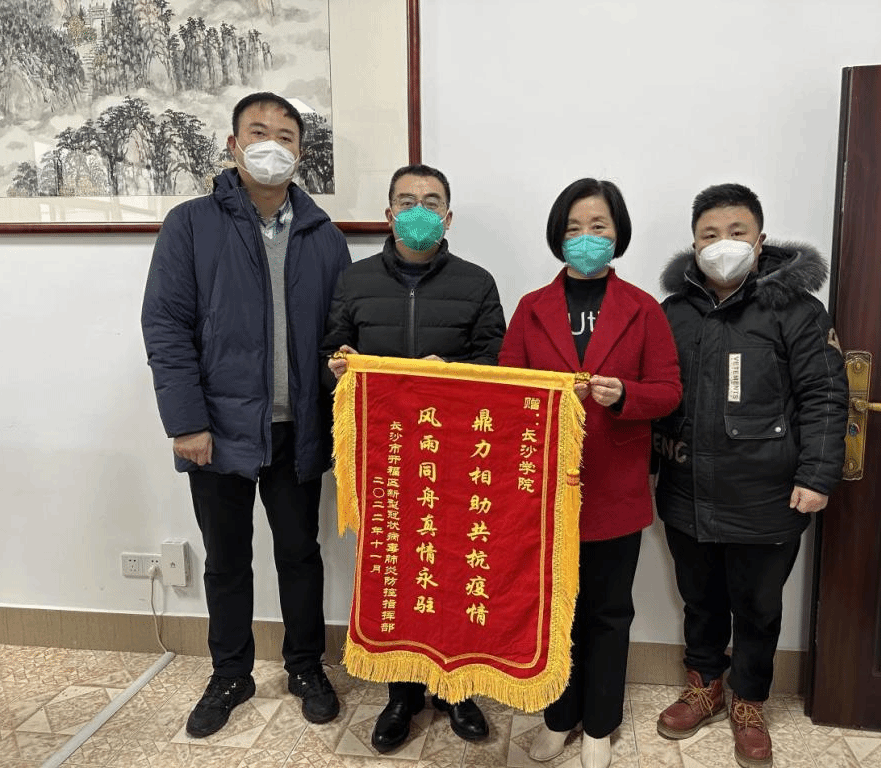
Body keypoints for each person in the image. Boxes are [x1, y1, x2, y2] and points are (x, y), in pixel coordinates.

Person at [141, 92, 351, 738]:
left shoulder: (323, 235)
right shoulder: (191, 224)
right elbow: (166, 327)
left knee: (300, 554)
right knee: (226, 559)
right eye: (257, 133)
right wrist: (186, 423)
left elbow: (340, 333)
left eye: (285, 136)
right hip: (217, 430)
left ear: (300, 153)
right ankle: (230, 673)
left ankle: (306, 667)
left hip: (299, 429)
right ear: (233, 146)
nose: (271, 146)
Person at [654, 183, 848, 768]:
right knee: (700, 598)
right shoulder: (673, 313)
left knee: (758, 606)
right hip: (687, 490)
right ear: (694, 244)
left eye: (736, 232)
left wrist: (817, 476)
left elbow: (824, 394)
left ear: (760, 240)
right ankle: (704, 684)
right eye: (709, 235)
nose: (723, 245)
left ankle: (749, 701)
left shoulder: (797, 310)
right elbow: (655, 399)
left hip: (768, 494)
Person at [498, 178, 682, 768]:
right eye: (574, 228)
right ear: (558, 235)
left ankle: (600, 724)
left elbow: (669, 391)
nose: (586, 237)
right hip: (546, 490)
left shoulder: (643, 308)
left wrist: (625, 394)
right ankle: (559, 718)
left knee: (608, 612)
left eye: (598, 226)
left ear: (617, 233)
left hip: (615, 488)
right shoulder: (531, 307)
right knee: (555, 612)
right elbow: (508, 390)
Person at [323, 163, 505, 753]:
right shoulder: (354, 281)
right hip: (385, 456)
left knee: (453, 568)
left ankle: (456, 689)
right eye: (406, 201)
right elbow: (331, 352)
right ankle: (401, 695)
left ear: (448, 217)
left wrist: (450, 373)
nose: (418, 210)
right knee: (393, 573)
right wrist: (340, 365)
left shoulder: (477, 282)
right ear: (389, 214)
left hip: (455, 456)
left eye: (431, 201)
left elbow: (498, 361)